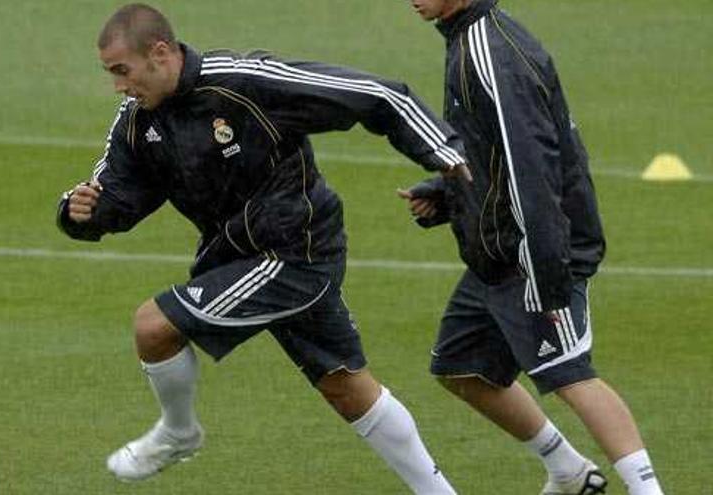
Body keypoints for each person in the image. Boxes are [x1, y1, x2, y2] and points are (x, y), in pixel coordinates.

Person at [57, 3, 470, 492]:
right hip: (239, 255)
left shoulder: (244, 83)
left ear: (161, 53)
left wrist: (442, 151)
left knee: (154, 326)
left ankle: (179, 432)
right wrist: (80, 213)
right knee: (346, 384)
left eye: (123, 71)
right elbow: (114, 196)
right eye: (111, 74)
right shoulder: (137, 121)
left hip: (295, 252)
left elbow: (375, 94)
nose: (119, 86)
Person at [399, 1, 665, 494]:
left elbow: (532, 166)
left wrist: (545, 271)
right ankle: (568, 470)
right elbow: (490, 151)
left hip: (531, 251)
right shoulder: (466, 39)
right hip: (498, 250)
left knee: (569, 373)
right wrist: (450, 195)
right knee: (461, 368)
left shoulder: (489, 53)